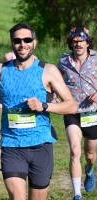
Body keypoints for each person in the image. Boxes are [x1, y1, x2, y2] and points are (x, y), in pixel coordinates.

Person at [0, 23, 77, 200]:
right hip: (12, 144)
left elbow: (72, 105)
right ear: (12, 43)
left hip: (41, 146)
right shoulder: (0, 70)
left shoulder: (48, 70)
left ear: (34, 43)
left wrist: (44, 106)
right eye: (18, 40)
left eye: (27, 40)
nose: (23, 44)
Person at [57, 26, 97, 200]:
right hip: (71, 110)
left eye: (82, 41)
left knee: (90, 155)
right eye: (75, 41)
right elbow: (55, 81)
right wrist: (55, 97)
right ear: (71, 43)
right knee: (75, 151)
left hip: (92, 112)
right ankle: (77, 195)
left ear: (88, 42)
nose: (78, 44)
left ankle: (90, 170)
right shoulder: (63, 61)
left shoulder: (96, 59)